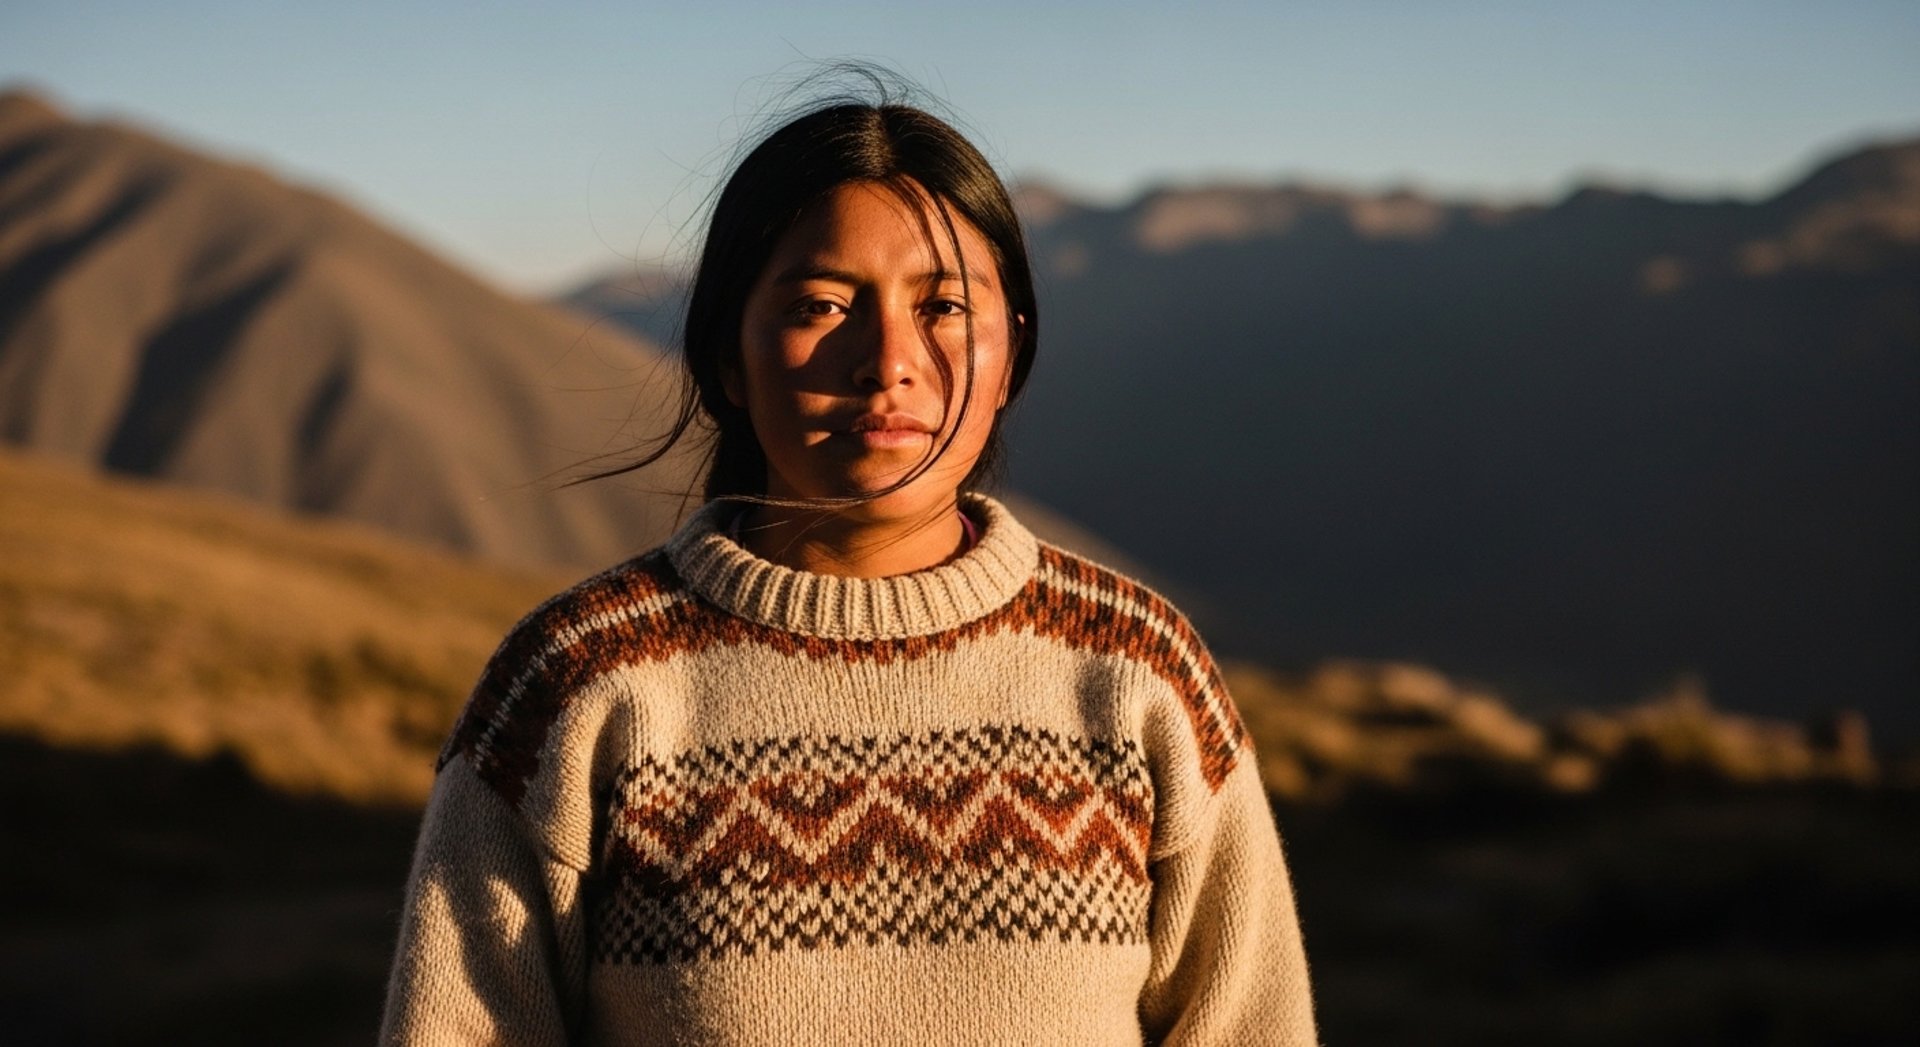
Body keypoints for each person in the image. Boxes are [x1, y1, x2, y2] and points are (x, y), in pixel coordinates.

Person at [379, 83, 1317, 1046]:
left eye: (945, 305)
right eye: (822, 305)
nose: (887, 361)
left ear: (1011, 352)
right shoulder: (576, 690)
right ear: (730, 356)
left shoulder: (1135, 674)